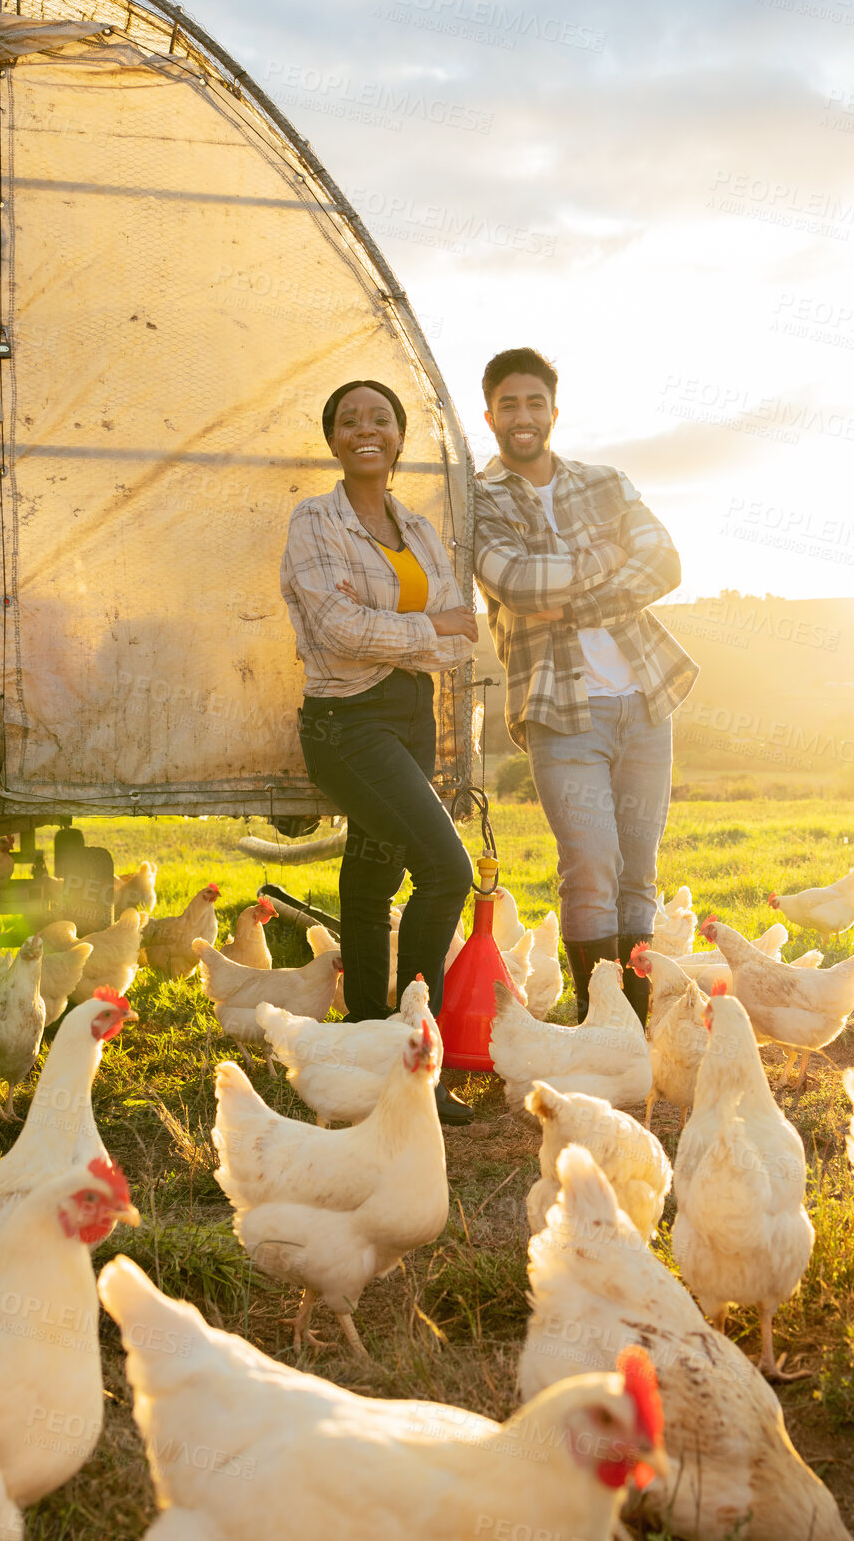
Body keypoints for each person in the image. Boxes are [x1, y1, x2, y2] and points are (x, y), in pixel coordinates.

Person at [473, 347, 698, 1025]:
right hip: (560, 710)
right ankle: (599, 1022)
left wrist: (571, 596)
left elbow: (665, 561)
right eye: (508, 403)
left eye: (534, 402)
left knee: (638, 873)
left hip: (644, 698)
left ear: (553, 411)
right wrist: (606, 559)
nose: (523, 415)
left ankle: (632, 1027)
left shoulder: (606, 481)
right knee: (592, 868)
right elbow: (515, 582)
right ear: (489, 416)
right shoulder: (476, 502)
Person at [280, 379, 478, 1125]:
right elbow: (336, 627)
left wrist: (418, 635)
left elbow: (465, 638)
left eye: (382, 418)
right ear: (333, 438)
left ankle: (365, 1047)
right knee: (445, 869)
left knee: (371, 887)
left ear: (399, 438)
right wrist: (428, 630)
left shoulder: (420, 531)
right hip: (345, 721)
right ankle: (410, 1053)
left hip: (410, 715)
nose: (367, 429)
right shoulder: (314, 521)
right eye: (350, 419)